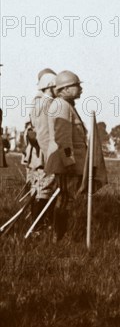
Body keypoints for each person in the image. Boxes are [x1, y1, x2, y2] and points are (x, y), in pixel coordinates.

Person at [45, 71, 87, 240]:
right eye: (77, 85)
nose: (81, 88)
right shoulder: (61, 106)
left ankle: (60, 237)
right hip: (67, 164)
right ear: (66, 88)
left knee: (65, 200)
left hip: (68, 163)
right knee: (65, 200)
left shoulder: (65, 105)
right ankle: (59, 238)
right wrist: (69, 162)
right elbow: (62, 138)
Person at [23, 70, 57, 227]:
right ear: (51, 86)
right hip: (43, 155)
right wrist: (50, 157)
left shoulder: (39, 102)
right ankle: (38, 227)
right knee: (44, 189)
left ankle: (38, 225)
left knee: (38, 189)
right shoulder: (46, 104)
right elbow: (43, 134)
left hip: (36, 154)